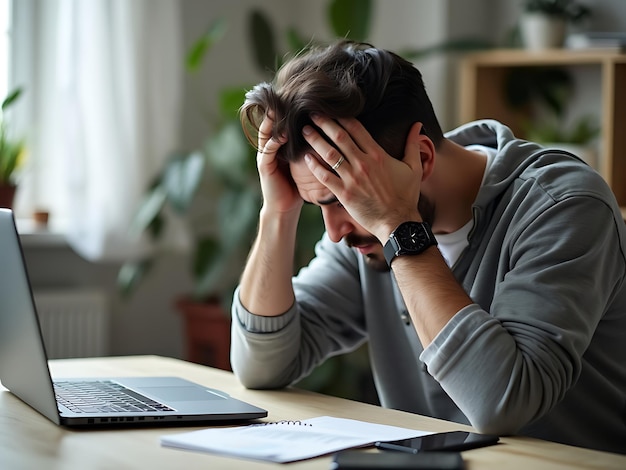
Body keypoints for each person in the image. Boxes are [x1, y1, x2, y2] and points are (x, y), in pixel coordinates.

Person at [231, 40, 626, 454]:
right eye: (319, 203)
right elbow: (262, 366)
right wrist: (277, 212)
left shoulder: (562, 206)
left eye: (341, 201)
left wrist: (399, 225)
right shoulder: (363, 232)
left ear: (420, 156)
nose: (333, 233)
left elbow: (504, 402)